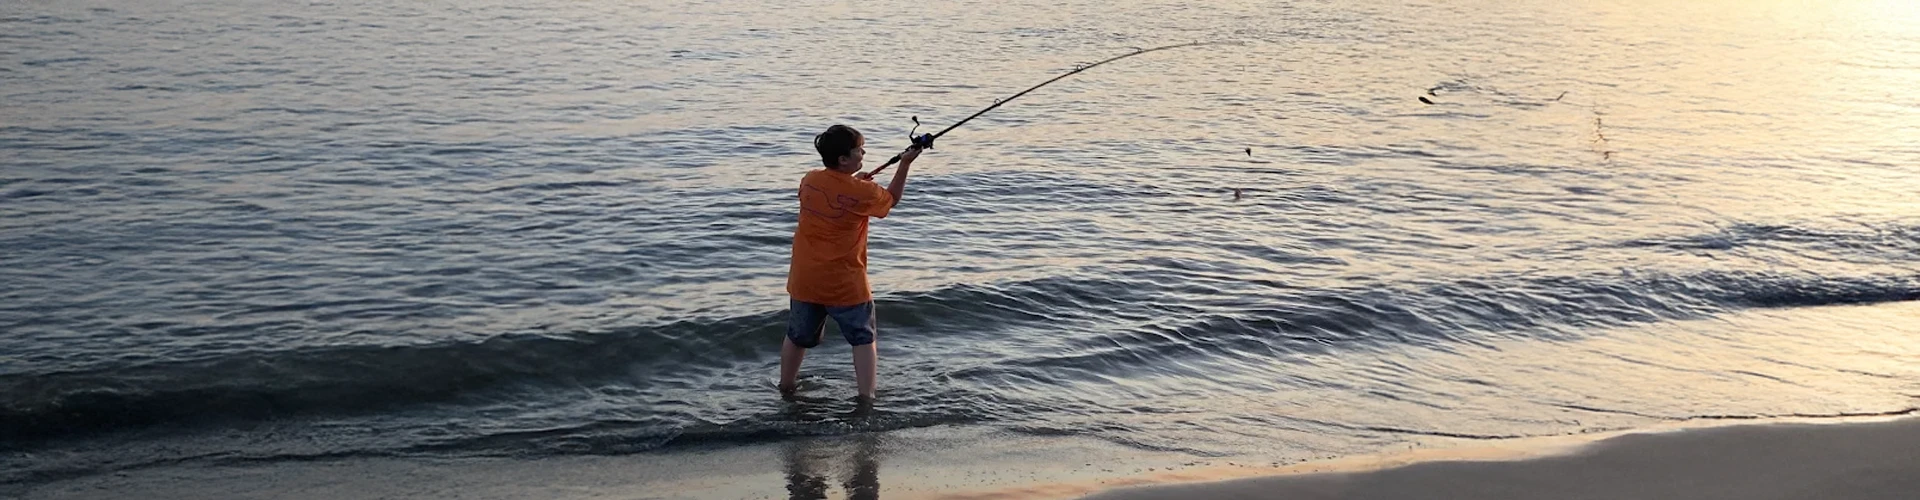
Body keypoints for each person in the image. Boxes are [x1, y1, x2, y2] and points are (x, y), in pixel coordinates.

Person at [779, 124, 921, 402]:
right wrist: (905, 164)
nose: (864, 152)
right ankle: (866, 397)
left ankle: (786, 386)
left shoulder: (810, 179)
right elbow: (891, 200)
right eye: (859, 150)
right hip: (844, 281)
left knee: (796, 335)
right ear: (844, 159)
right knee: (863, 338)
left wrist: (854, 183)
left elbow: (837, 195)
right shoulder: (862, 192)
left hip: (805, 277)